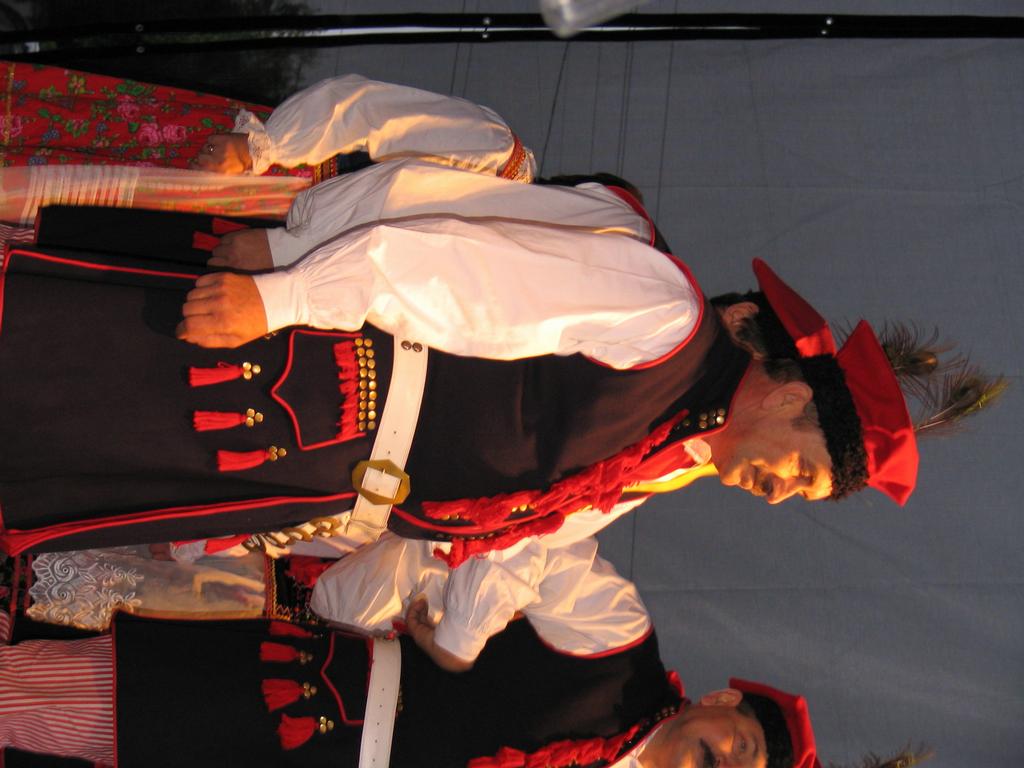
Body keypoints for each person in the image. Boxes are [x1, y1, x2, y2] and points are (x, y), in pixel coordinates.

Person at [0, 556, 926, 768]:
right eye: (738, 748)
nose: (718, 765)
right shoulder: (618, 644)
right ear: (721, 700)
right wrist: (458, 638)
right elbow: (537, 543)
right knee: (71, 704)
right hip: (316, 704)